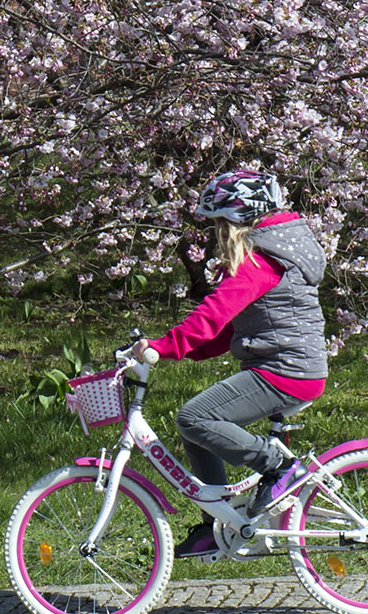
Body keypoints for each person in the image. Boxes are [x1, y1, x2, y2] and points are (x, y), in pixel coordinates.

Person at [132, 169, 327, 558]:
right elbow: (223, 330)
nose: (215, 233)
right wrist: (173, 350)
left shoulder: (261, 262)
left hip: (285, 371)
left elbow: (214, 312)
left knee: (194, 418)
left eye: (220, 223)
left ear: (238, 222)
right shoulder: (269, 256)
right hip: (284, 368)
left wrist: (165, 345)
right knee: (195, 427)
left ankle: (280, 468)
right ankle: (216, 522)